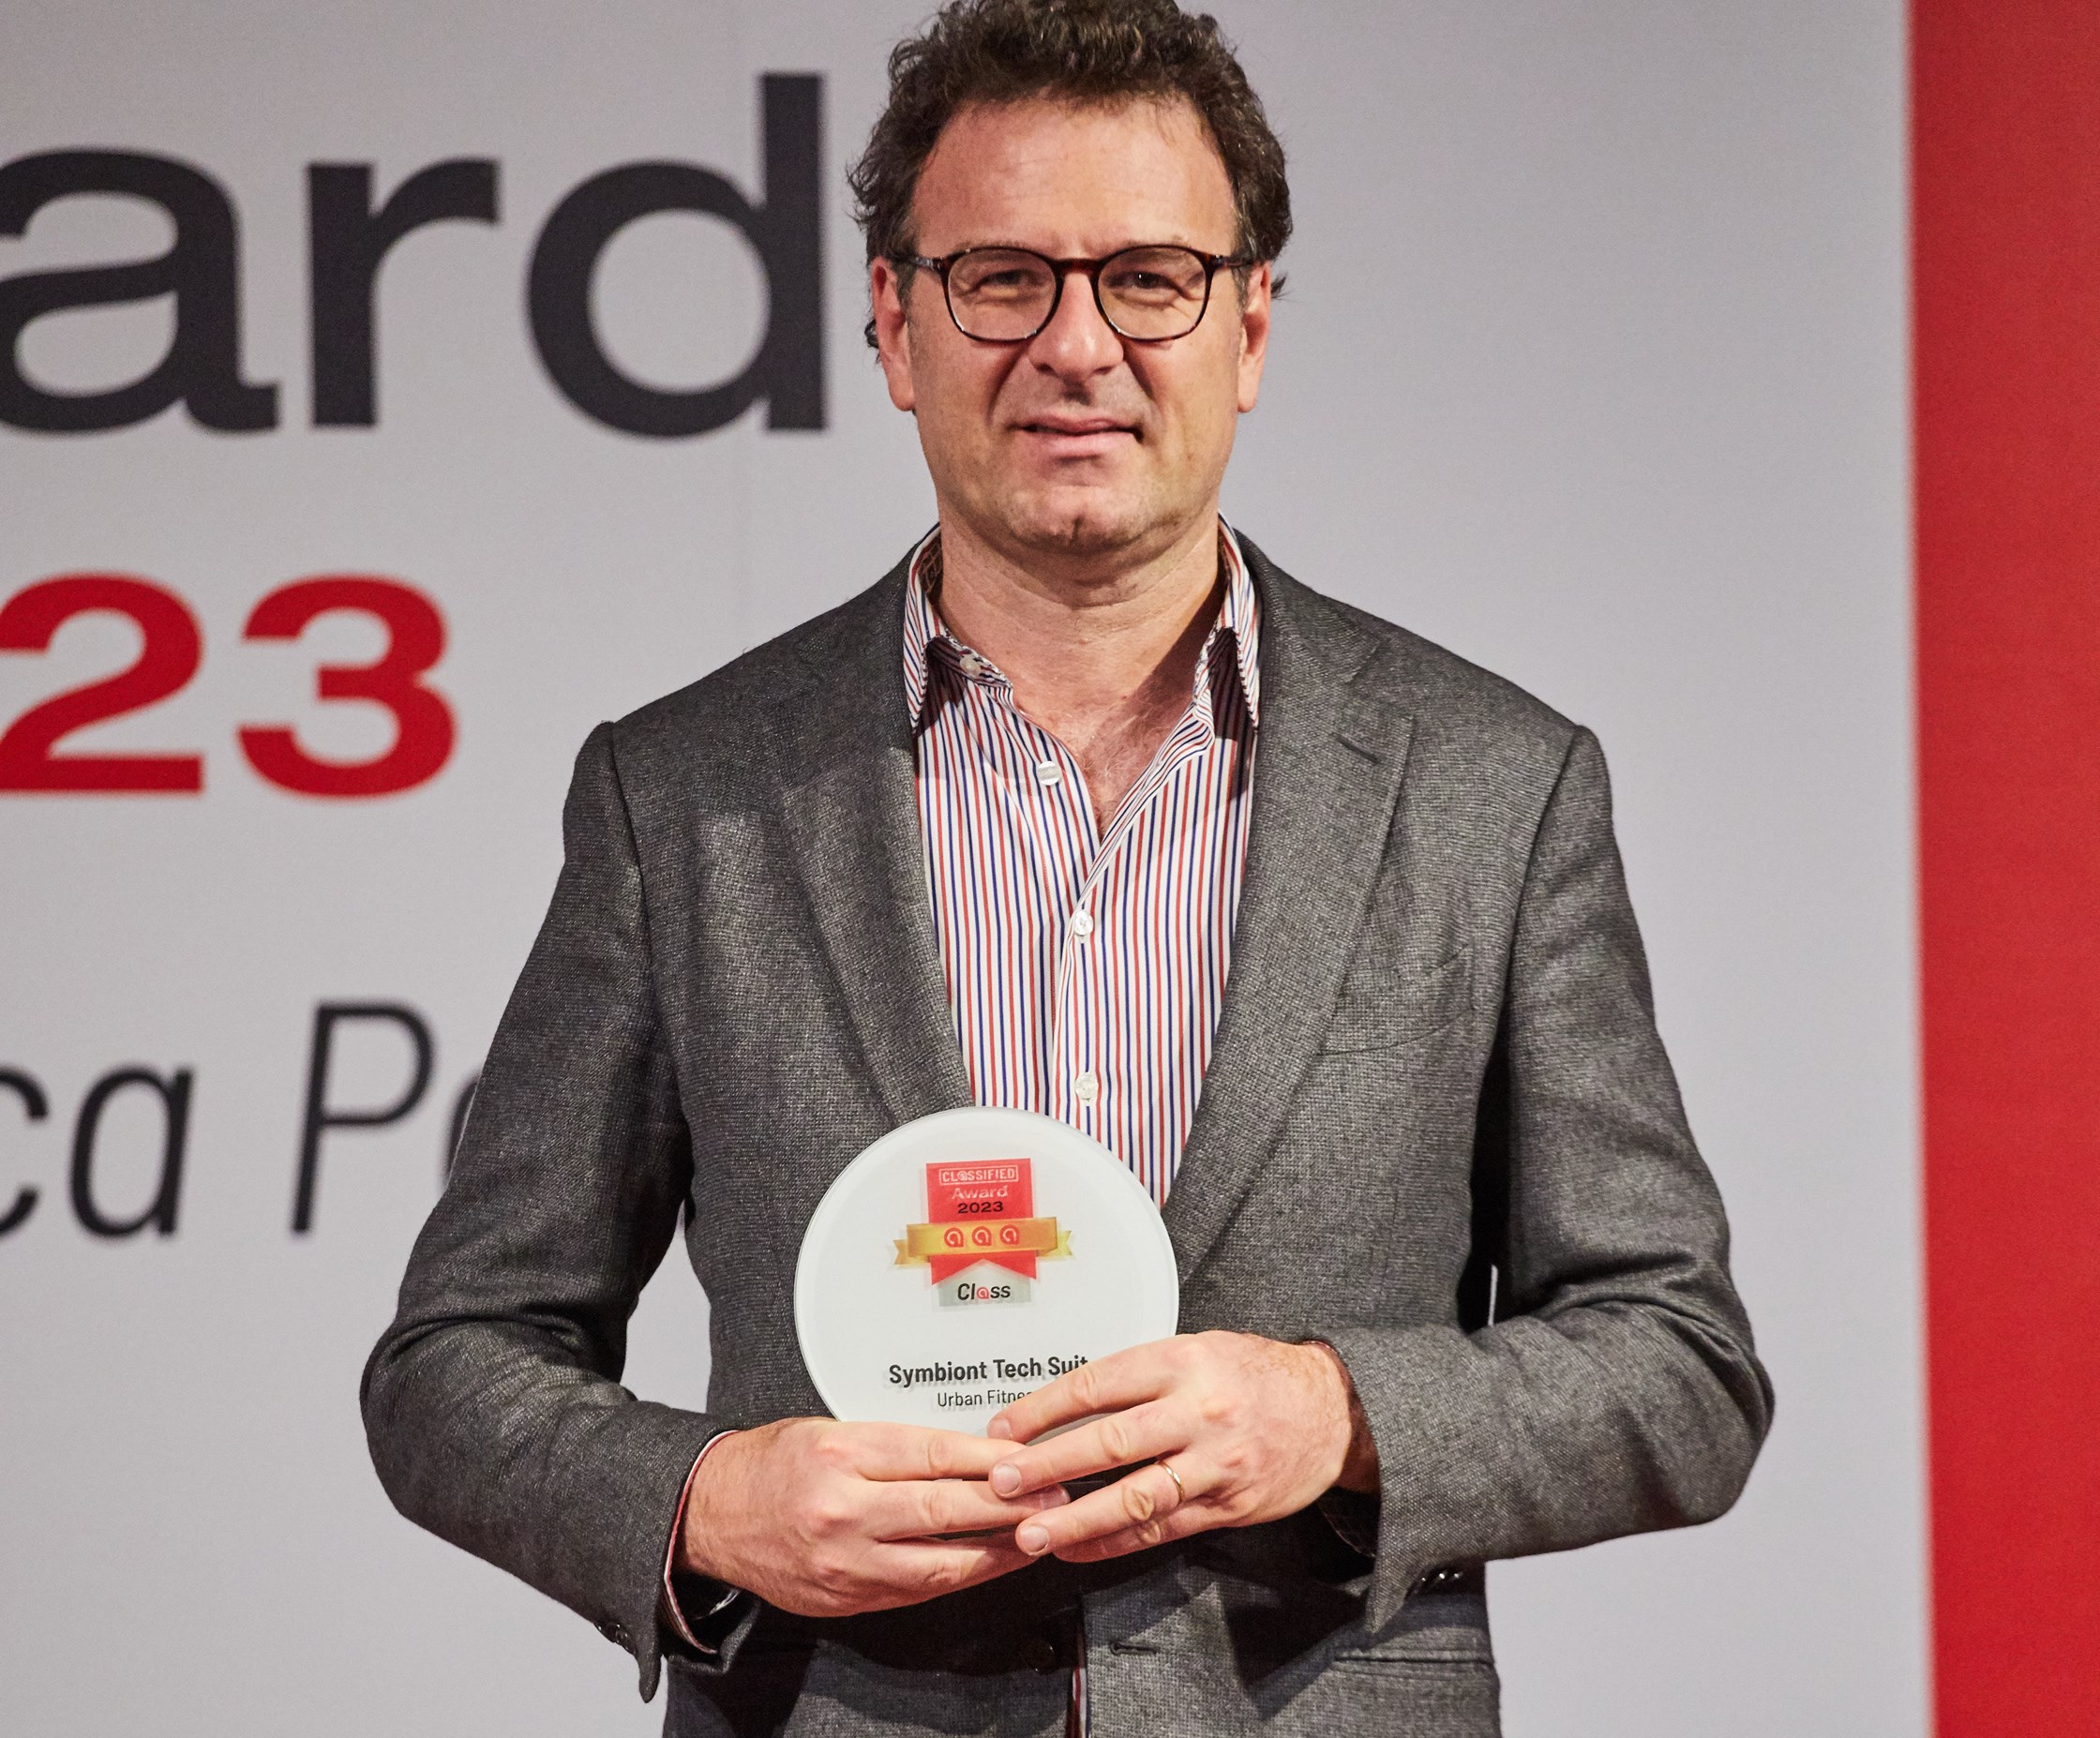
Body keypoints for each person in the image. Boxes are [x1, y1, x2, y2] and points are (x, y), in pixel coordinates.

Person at [362, 3, 1773, 1733]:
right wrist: (708, 1503)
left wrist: (1337, 1415)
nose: (1077, 345)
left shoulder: (1493, 786)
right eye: (1004, 279)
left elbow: (1680, 1361)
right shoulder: (685, 795)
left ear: (1250, 326)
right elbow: (455, 1361)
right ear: (896, 325)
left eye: (1150, 279)